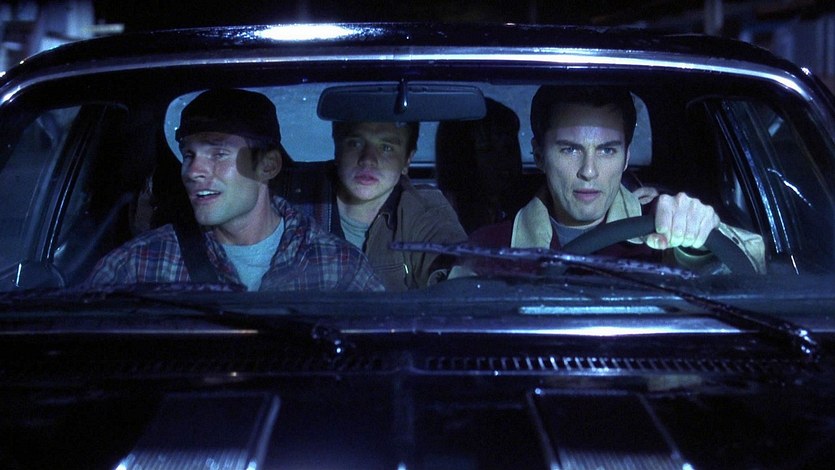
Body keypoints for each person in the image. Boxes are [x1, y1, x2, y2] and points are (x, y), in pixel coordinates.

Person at [85, 88, 383, 292]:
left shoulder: (339, 267)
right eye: (189, 154)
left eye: (218, 153)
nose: (193, 171)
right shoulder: (137, 267)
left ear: (267, 166)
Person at [466, 85, 765, 273]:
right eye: (570, 149)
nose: (589, 171)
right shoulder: (490, 247)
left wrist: (696, 244)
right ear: (539, 155)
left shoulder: (664, 228)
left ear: (626, 158)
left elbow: (755, 270)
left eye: (607, 150)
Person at [286, 120, 467, 291]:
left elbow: (455, 265)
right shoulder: (296, 194)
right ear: (337, 147)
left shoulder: (422, 209)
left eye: (386, 148)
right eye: (355, 144)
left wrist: (462, 271)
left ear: (407, 160)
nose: (368, 160)